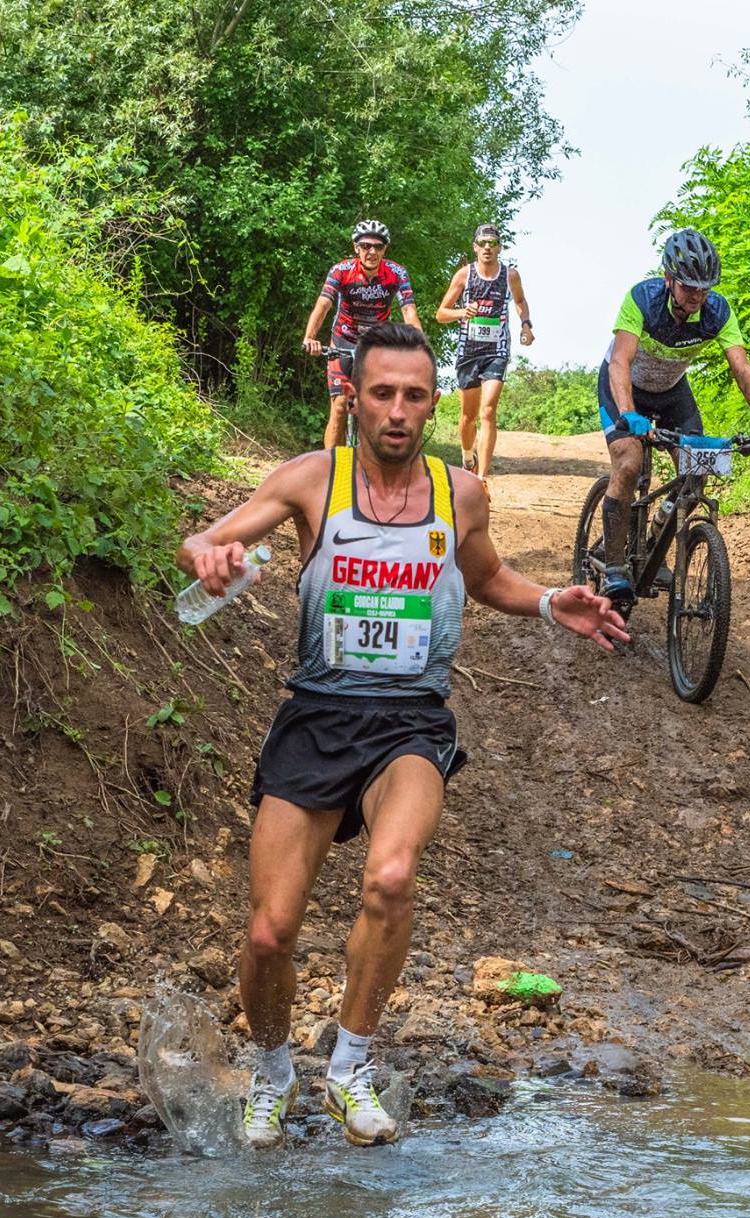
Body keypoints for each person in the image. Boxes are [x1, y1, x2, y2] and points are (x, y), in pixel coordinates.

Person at [178, 321, 629, 1149]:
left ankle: (349, 1068)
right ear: (353, 398)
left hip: (410, 723)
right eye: (381, 392)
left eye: (414, 395)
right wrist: (208, 557)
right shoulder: (313, 479)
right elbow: (204, 540)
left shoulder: (461, 493)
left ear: (433, 404)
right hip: (317, 715)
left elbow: (483, 574)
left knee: (390, 877)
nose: (397, 409)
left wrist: (545, 602)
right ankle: (273, 1073)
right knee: (270, 931)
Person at [595, 228, 750, 614]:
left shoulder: (718, 312)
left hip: (671, 392)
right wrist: (629, 414)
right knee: (629, 463)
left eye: (704, 289)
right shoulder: (642, 299)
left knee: (697, 474)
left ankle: (654, 539)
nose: (697, 296)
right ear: (669, 279)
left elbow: (742, 369)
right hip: (623, 388)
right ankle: (613, 568)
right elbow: (620, 361)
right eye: (688, 287)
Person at [301, 220, 421, 451]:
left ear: (385, 249)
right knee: (339, 406)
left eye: (378, 246)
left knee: (376, 407)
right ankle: (332, 464)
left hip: (375, 346)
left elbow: (409, 311)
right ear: (356, 247)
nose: (372, 252)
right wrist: (310, 337)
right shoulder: (341, 271)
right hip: (343, 340)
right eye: (366, 246)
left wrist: (418, 346)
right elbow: (324, 305)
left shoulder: (397, 273)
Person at [433, 224, 533, 481]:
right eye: (483, 242)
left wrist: (526, 324)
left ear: (500, 247)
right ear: (475, 247)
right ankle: (468, 457)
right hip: (468, 350)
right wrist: (461, 312)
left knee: (488, 411)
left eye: (492, 242)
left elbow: (520, 301)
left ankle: (482, 478)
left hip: (496, 350)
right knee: (468, 416)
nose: (487, 247)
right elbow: (441, 314)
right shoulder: (464, 275)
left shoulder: (510, 276)